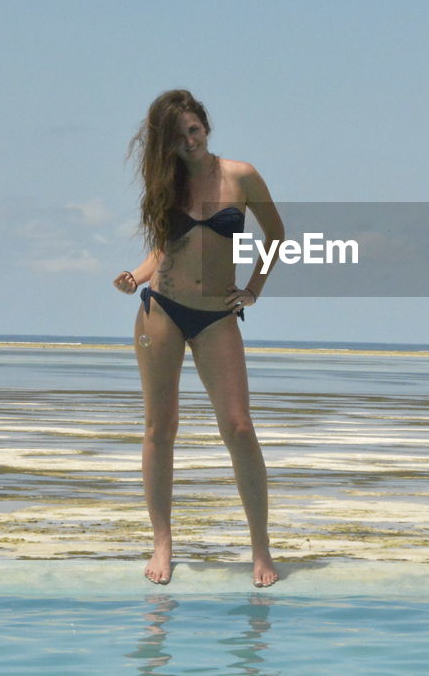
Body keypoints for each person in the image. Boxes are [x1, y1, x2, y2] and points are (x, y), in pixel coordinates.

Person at [114, 89, 284, 587]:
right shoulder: (167, 183)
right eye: (179, 136)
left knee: (240, 428)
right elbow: (161, 252)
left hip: (216, 316)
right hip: (160, 311)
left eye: (194, 129)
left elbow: (277, 235)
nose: (189, 141)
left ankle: (260, 550)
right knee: (159, 429)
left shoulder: (241, 176)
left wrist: (253, 289)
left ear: (206, 126)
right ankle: (162, 543)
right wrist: (136, 275)